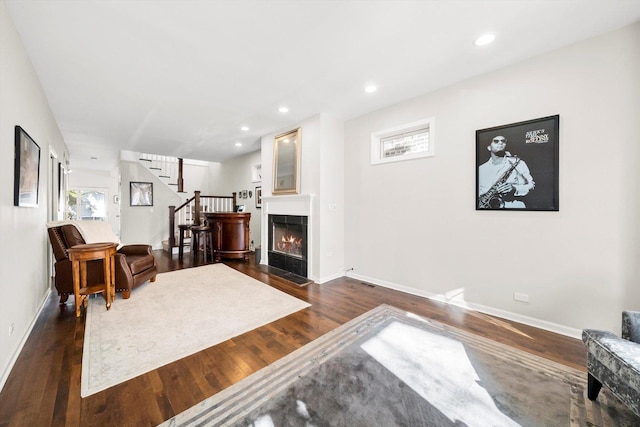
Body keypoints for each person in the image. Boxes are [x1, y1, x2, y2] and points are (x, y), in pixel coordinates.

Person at [478, 135, 535, 209]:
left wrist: (514, 188)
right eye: (496, 141)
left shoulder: (518, 163)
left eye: (503, 141)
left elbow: (531, 186)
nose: (500, 143)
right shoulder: (481, 169)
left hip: (514, 207)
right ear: (489, 147)